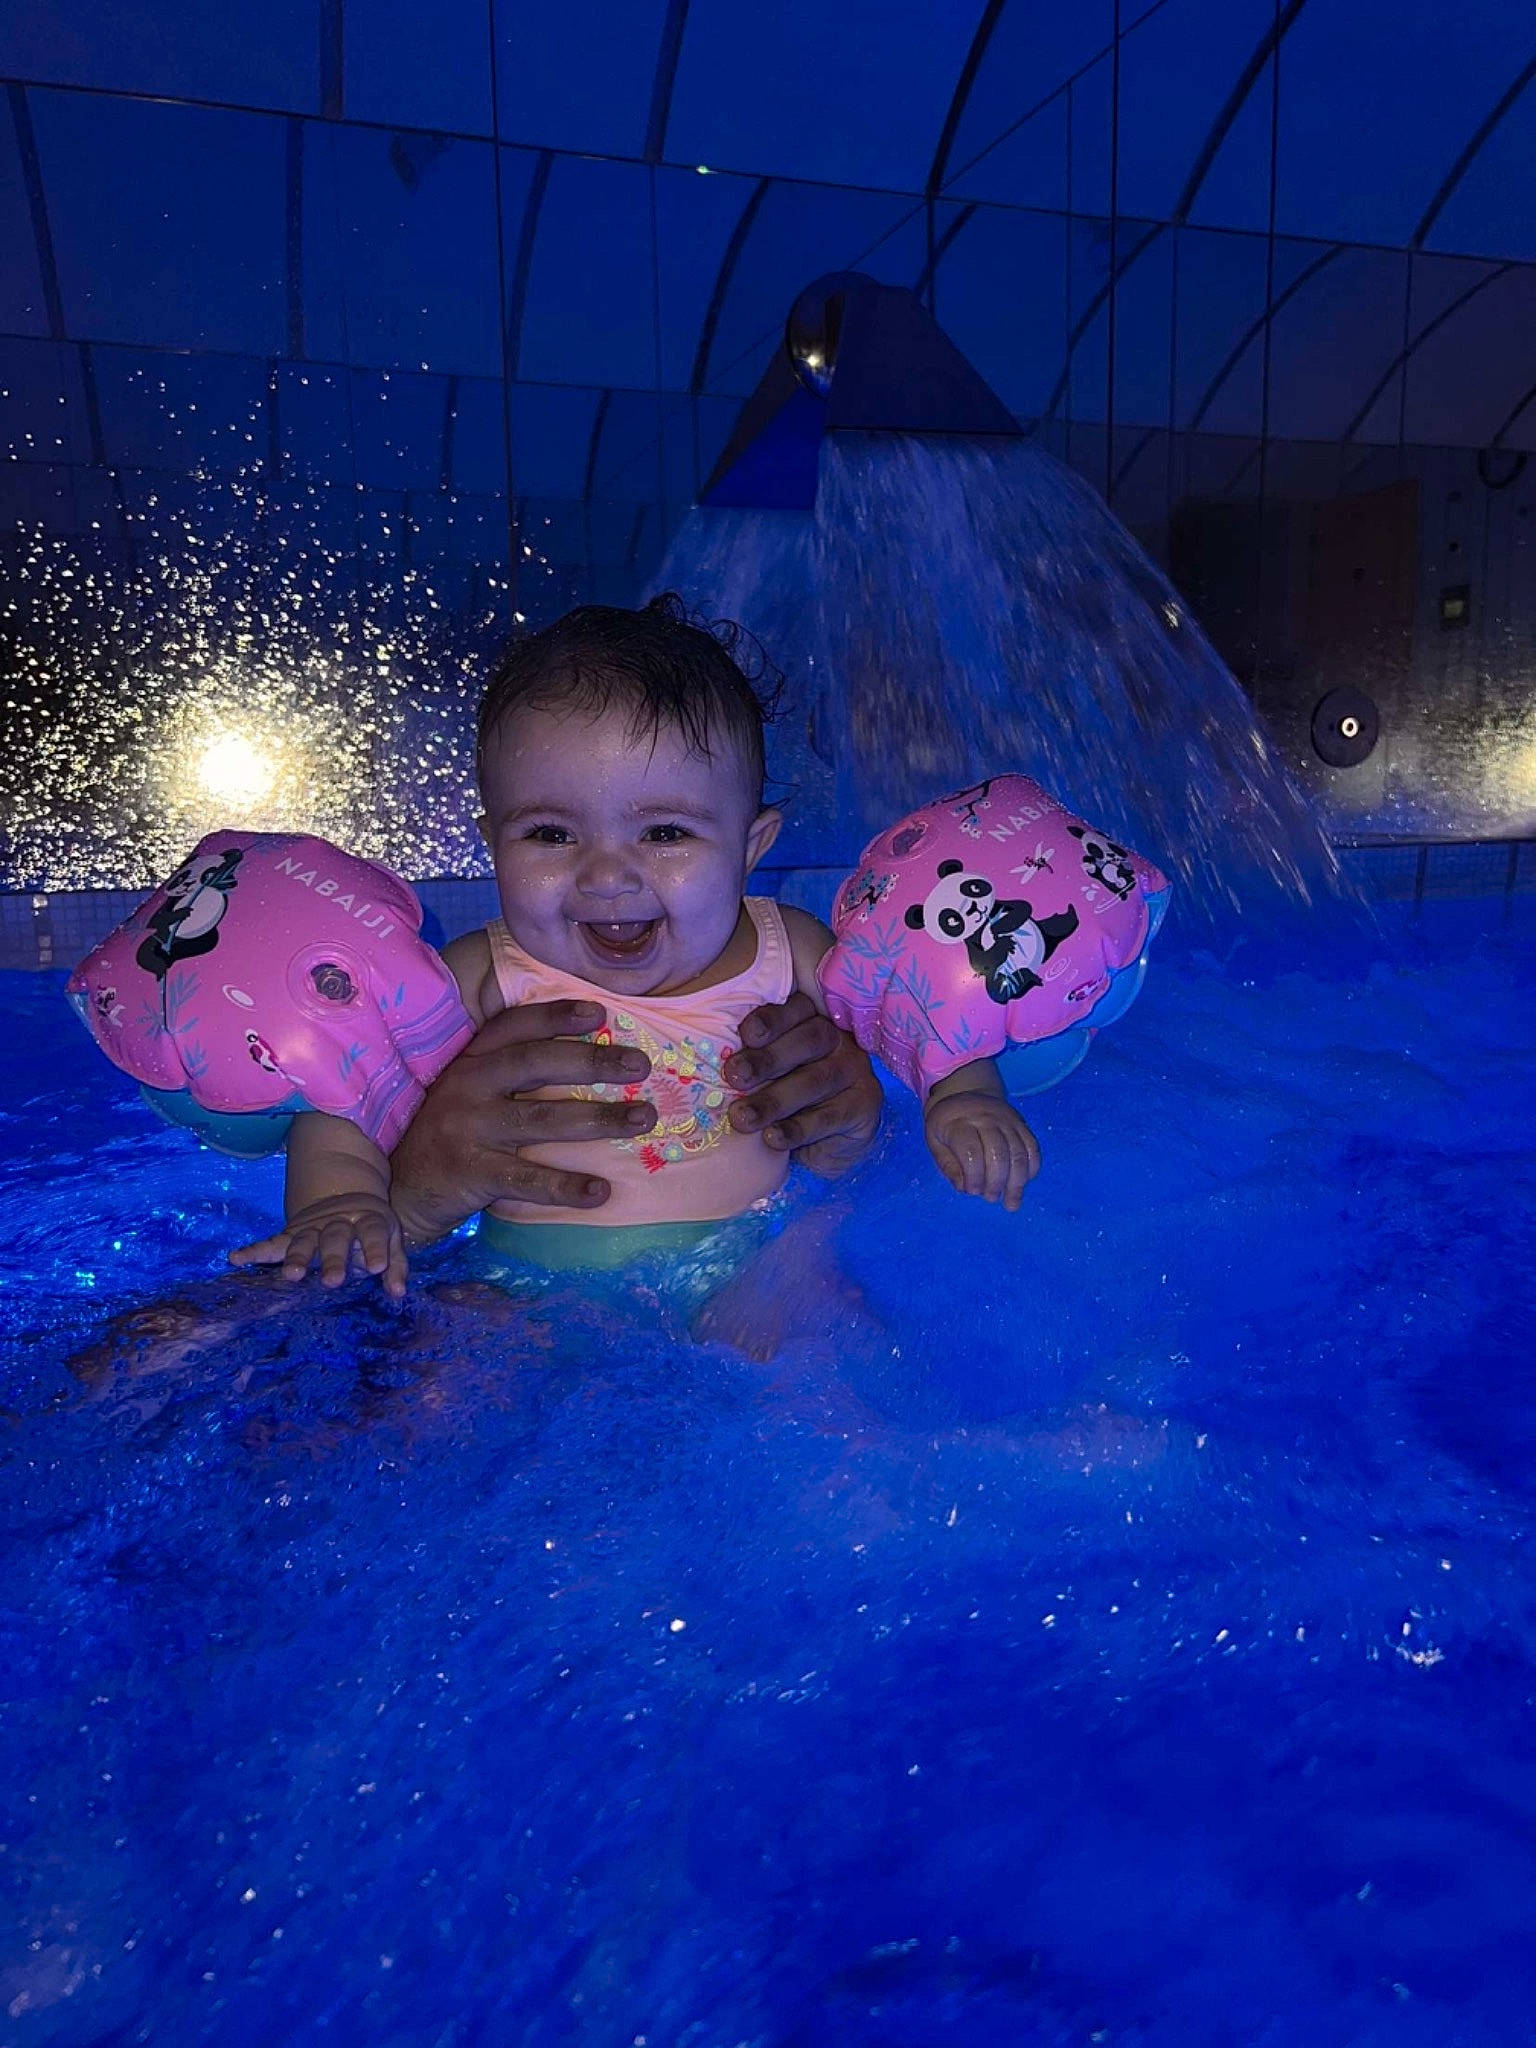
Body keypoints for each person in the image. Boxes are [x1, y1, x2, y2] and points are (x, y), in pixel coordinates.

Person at [232, 597, 1037, 1298]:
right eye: (550, 833)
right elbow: (347, 1084)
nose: (607, 873)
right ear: (491, 844)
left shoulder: (786, 949)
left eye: (664, 832)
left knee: (828, 1350)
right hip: (530, 1282)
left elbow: (916, 1005)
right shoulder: (485, 975)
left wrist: (964, 1095)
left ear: (750, 847)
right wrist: (338, 1202)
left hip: (751, 1263)